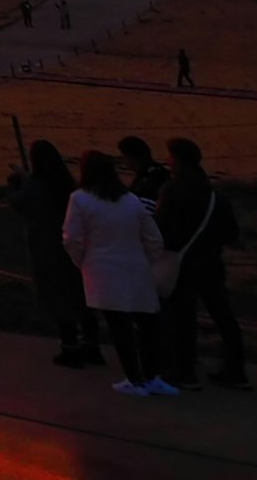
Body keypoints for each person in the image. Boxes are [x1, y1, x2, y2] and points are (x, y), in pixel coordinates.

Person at [63, 149, 173, 394]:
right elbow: (153, 238)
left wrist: (81, 262)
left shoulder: (80, 199)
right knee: (146, 323)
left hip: (102, 269)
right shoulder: (130, 199)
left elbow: (72, 238)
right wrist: (147, 260)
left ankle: (134, 380)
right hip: (136, 268)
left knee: (119, 326)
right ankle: (151, 376)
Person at [157, 138, 249, 388]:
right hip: (210, 264)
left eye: (171, 158)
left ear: (178, 160)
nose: (168, 162)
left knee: (182, 319)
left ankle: (184, 372)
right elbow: (232, 234)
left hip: (182, 265)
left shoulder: (171, 191)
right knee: (224, 317)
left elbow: (160, 229)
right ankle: (235, 369)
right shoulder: (215, 196)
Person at [12, 139, 98, 366]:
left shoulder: (35, 186)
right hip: (73, 249)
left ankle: (69, 348)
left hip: (46, 248)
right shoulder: (67, 184)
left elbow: (19, 204)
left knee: (57, 298)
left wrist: (15, 185)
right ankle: (92, 345)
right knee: (80, 296)